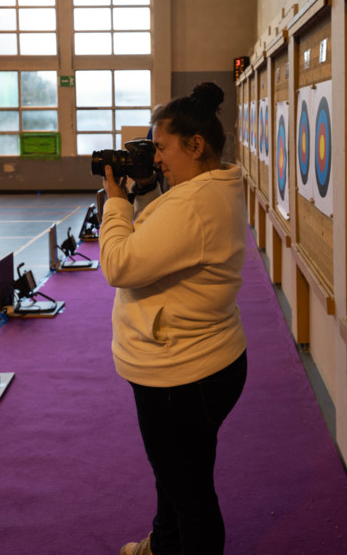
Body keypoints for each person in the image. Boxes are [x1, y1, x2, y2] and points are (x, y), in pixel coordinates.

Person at [100, 82, 248, 555]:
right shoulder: (210, 187)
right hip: (202, 362)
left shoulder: (192, 203)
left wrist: (115, 201)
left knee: (191, 496)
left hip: (181, 375)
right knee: (177, 475)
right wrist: (145, 192)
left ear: (196, 145)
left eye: (161, 147)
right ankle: (165, 546)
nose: (156, 158)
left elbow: (118, 265)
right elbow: (164, 237)